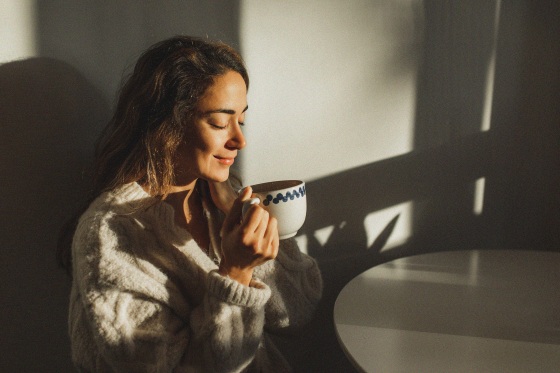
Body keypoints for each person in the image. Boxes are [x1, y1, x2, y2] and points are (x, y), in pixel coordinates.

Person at [57, 35, 322, 372]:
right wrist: (236, 273)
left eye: (241, 120)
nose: (240, 139)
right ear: (167, 125)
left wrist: (256, 238)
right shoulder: (110, 232)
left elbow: (295, 312)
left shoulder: (222, 198)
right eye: (219, 122)